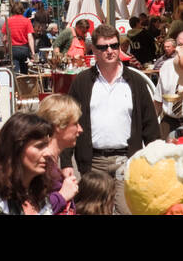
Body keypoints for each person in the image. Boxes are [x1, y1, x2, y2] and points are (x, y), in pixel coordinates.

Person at [66, 24, 160, 184]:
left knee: (126, 209)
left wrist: (157, 159)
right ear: (93, 50)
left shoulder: (135, 81)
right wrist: (66, 163)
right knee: (96, 210)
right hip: (93, 163)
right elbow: (68, 124)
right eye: (103, 47)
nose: (109, 51)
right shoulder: (81, 82)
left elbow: (150, 124)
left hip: (127, 161)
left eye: (114, 46)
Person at [0, 112, 55, 215]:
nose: (48, 153)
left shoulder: (39, 194)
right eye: (39, 146)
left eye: (47, 145)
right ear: (16, 149)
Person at [36, 94, 82, 215]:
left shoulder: (50, 161)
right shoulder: (42, 164)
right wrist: (62, 195)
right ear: (58, 126)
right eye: (75, 124)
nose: (80, 130)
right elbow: (33, 209)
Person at [156, 30, 183, 137]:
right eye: (179, 45)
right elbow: (157, 101)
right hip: (169, 124)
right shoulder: (166, 67)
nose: (180, 49)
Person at [4, 1, 35, 73]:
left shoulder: (8, 21)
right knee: (24, 72)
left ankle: (16, 82)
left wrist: (5, 50)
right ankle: (23, 83)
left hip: (13, 49)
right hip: (24, 49)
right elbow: (30, 37)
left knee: (15, 72)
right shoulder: (27, 21)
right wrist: (33, 52)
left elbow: (4, 39)